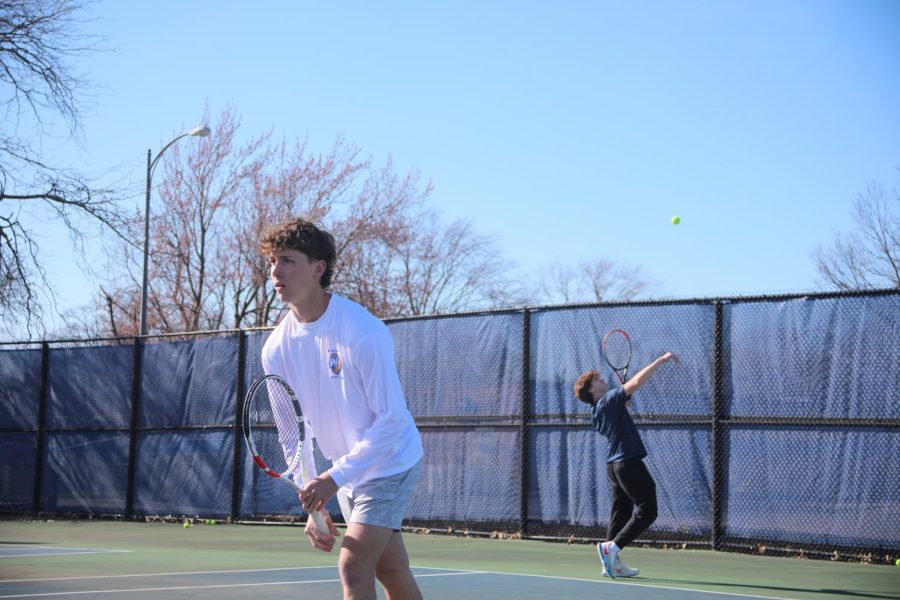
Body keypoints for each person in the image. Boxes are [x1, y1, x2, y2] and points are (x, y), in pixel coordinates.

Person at [259, 217, 425, 600]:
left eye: (287, 260)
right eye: (272, 261)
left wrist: (333, 478)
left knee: (353, 565)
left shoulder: (362, 332)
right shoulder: (276, 349)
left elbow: (393, 420)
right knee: (390, 569)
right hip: (347, 469)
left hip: (390, 460)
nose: (275, 270)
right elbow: (292, 435)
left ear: (318, 269)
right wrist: (312, 500)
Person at [573, 352, 679, 579]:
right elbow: (637, 382)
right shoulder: (609, 400)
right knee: (648, 510)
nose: (603, 380)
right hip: (627, 462)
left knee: (621, 513)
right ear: (592, 390)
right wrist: (661, 360)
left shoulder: (598, 411)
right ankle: (612, 548)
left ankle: (612, 563)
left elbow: (615, 411)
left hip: (614, 466)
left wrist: (622, 402)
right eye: (598, 380)